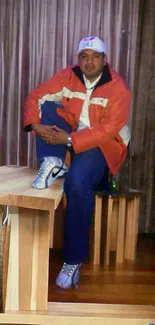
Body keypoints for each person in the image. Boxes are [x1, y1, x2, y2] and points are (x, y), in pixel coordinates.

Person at [24, 36, 131, 289]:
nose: (89, 61)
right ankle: (53, 161)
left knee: (76, 183)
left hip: (105, 144)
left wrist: (69, 139)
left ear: (105, 60)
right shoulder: (67, 76)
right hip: (72, 136)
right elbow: (36, 97)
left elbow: (108, 129)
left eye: (95, 56)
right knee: (49, 104)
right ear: (78, 59)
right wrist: (36, 126)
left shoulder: (118, 89)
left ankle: (73, 261)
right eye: (84, 56)